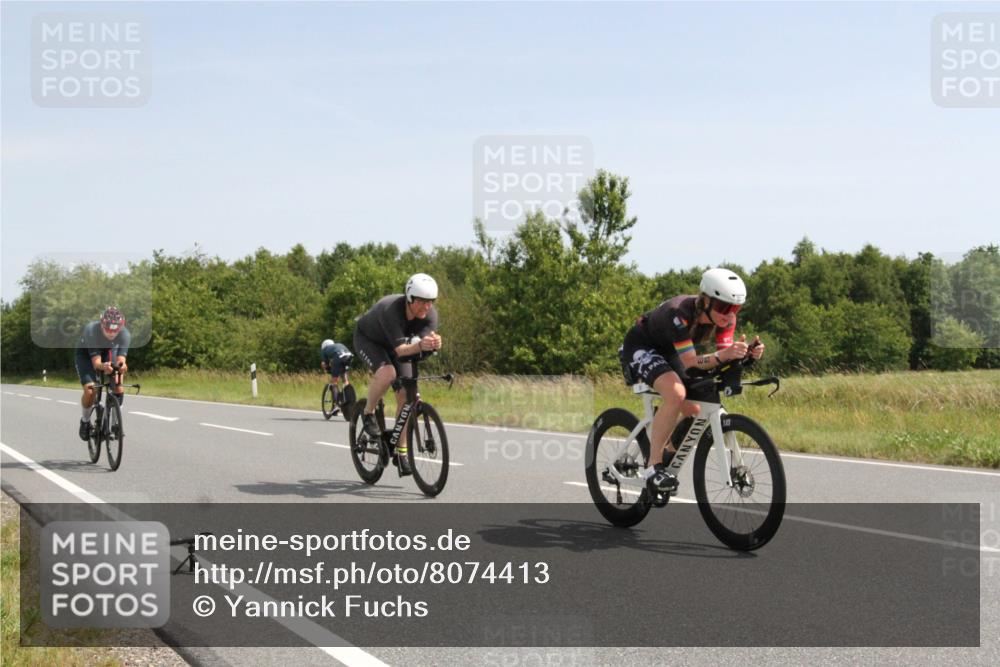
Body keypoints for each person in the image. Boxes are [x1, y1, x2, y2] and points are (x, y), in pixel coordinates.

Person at [621, 268, 765, 495]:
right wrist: (724, 356)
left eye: (735, 308)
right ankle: (652, 468)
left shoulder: (726, 320)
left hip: (671, 353)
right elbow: (690, 362)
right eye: (724, 307)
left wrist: (745, 354)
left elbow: (722, 357)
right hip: (642, 346)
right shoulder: (678, 313)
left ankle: (668, 454)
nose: (729, 314)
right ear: (705, 300)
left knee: (695, 407)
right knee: (676, 394)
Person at [353, 273, 442, 475]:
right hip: (370, 340)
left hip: (400, 347)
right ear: (409, 298)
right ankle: (368, 413)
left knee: (406, 394)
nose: (426, 307)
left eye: (430, 302)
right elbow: (401, 350)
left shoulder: (430, 316)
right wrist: (421, 345)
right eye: (421, 302)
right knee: (388, 373)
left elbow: (418, 351)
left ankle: (401, 453)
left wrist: (432, 345)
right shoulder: (390, 310)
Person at [76, 306, 131, 440]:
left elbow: (121, 359)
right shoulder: (91, 330)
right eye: (108, 330)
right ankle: (85, 421)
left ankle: (115, 422)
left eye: (115, 330)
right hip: (86, 356)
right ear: (102, 324)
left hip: (108, 352)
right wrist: (104, 366)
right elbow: (96, 363)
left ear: (121, 327)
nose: (111, 333)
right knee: (90, 390)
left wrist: (122, 366)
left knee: (118, 383)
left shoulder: (125, 334)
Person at [320, 338, 353, 415]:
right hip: (349, 356)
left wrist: (327, 369)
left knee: (334, 382)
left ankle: (335, 406)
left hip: (338, 357)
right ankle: (348, 394)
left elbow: (326, 363)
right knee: (344, 379)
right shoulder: (338, 345)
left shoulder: (325, 350)